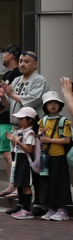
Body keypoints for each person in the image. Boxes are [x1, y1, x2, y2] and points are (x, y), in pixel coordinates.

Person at [0, 45, 23, 197]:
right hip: (5, 116)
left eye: (4, 53)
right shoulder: (9, 74)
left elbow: (12, 97)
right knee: (7, 153)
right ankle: (11, 185)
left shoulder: (16, 74)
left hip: (10, 119)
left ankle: (15, 185)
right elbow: (4, 98)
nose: (2, 56)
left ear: (11, 55)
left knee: (9, 154)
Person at [36, 91, 71, 220]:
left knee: (60, 182)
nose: (53, 105)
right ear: (45, 106)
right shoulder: (42, 121)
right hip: (47, 156)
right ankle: (51, 208)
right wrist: (41, 135)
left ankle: (62, 209)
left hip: (59, 155)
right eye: (50, 103)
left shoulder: (64, 121)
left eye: (55, 103)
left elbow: (67, 140)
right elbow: (39, 137)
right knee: (47, 182)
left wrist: (49, 140)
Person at [7, 107, 38, 219]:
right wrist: (14, 141)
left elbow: (29, 149)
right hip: (20, 159)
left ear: (30, 120)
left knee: (26, 185)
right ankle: (23, 208)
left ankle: (26, 210)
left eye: (21, 118)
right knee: (21, 184)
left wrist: (17, 142)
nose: (19, 121)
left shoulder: (30, 133)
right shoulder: (22, 132)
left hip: (26, 161)